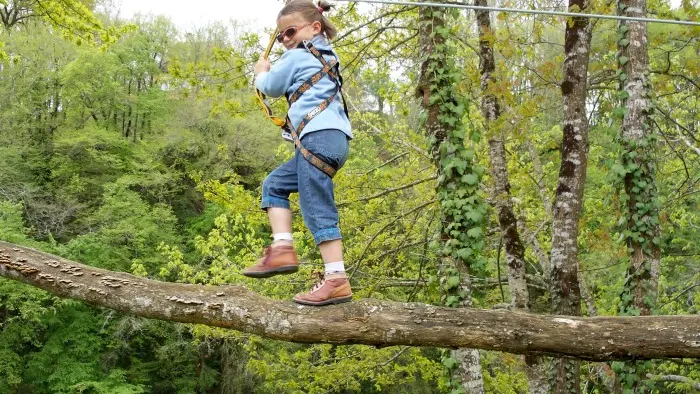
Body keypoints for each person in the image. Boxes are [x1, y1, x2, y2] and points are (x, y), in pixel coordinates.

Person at [243, 0, 353, 306]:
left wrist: (261, 71)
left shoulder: (297, 57)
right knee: (274, 185)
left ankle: (336, 279)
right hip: (332, 140)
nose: (286, 39)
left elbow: (271, 86)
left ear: (314, 28)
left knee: (316, 206)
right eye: (281, 36)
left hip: (317, 138)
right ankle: (282, 248)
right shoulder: (328, 55)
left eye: (290, 31)